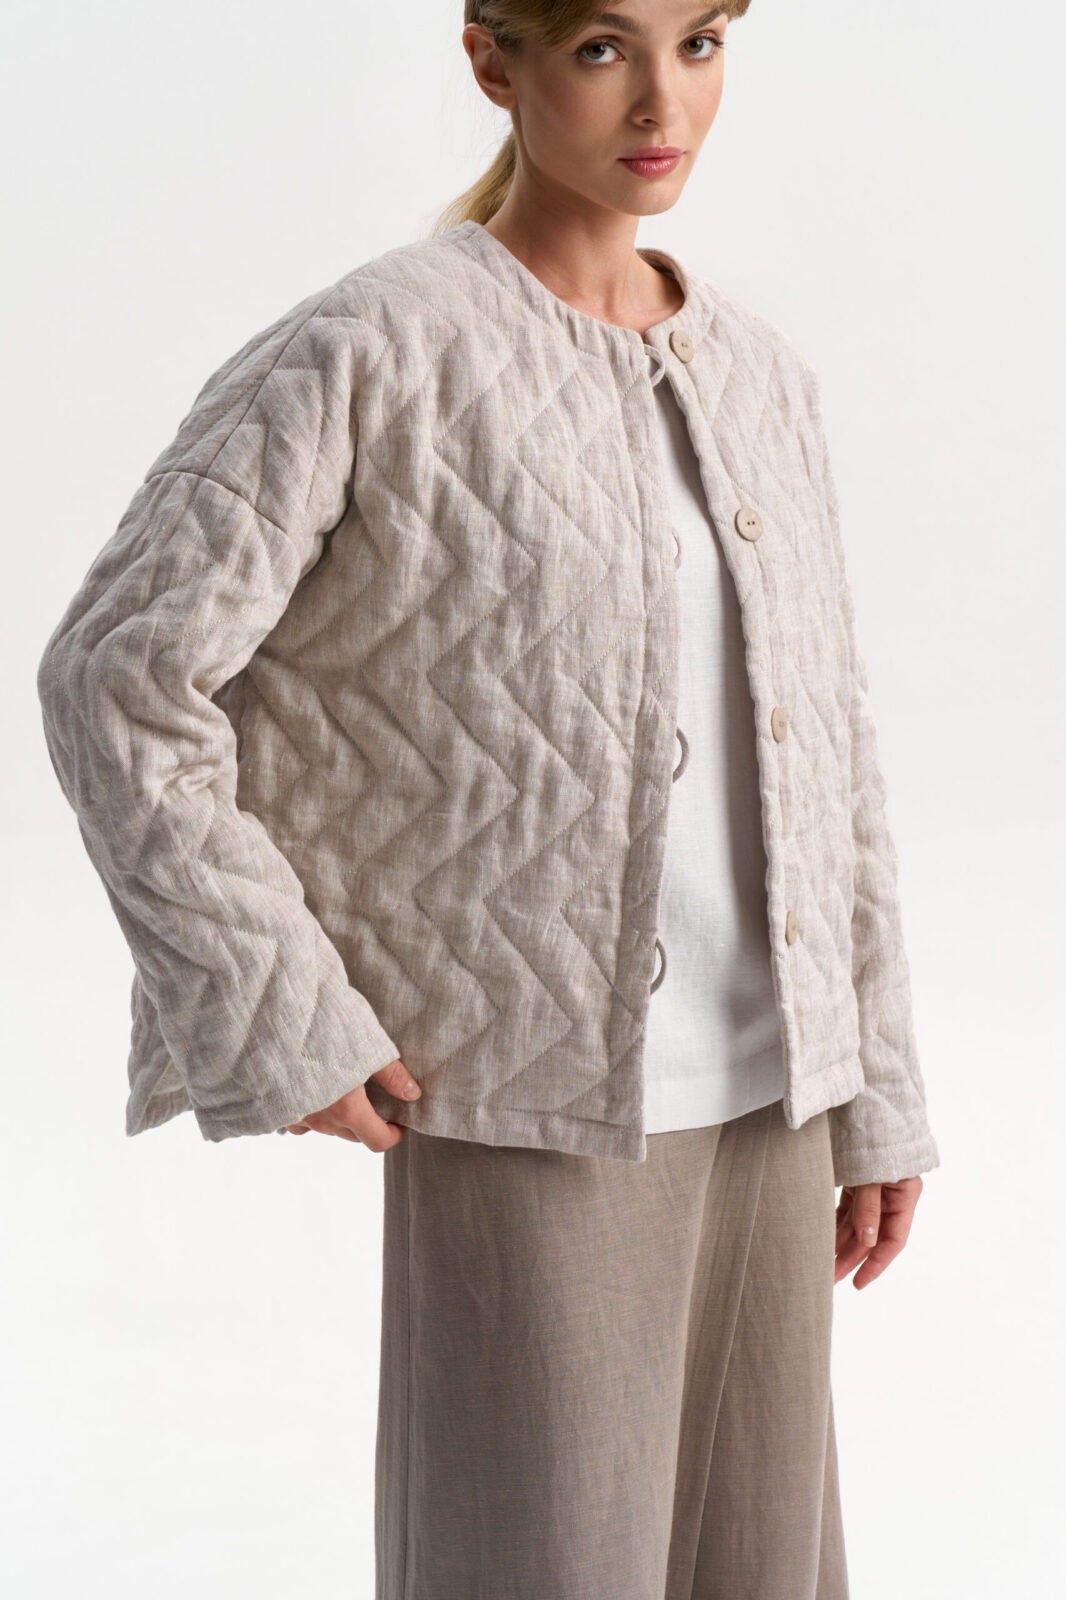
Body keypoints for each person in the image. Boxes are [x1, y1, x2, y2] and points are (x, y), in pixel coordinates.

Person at [35, 1, 941, 1595]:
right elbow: (117, 674)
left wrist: (878, 1089)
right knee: (535, 1561)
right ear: (490, 59)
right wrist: (280, 1005)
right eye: (601, 47)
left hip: (775, 1103)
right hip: (532, 1102)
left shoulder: (757, 374)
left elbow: (827, 750)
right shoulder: (371, 346)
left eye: (700, 41)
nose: (661, 100)